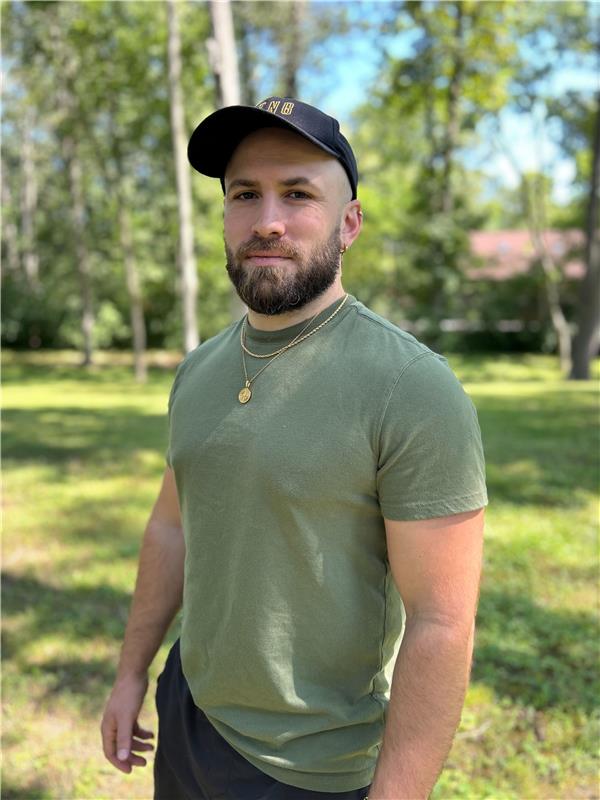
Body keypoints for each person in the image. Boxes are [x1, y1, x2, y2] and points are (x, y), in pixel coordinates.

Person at [101, 96, 488, 800]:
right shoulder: (200, 368)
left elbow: (441, 621)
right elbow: (171, 524)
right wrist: (133, 674)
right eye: (245, 194)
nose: (267, 220)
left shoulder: (411, 387)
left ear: (350, 223)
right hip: (190, 709)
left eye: (298, 193)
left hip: (310, 764)